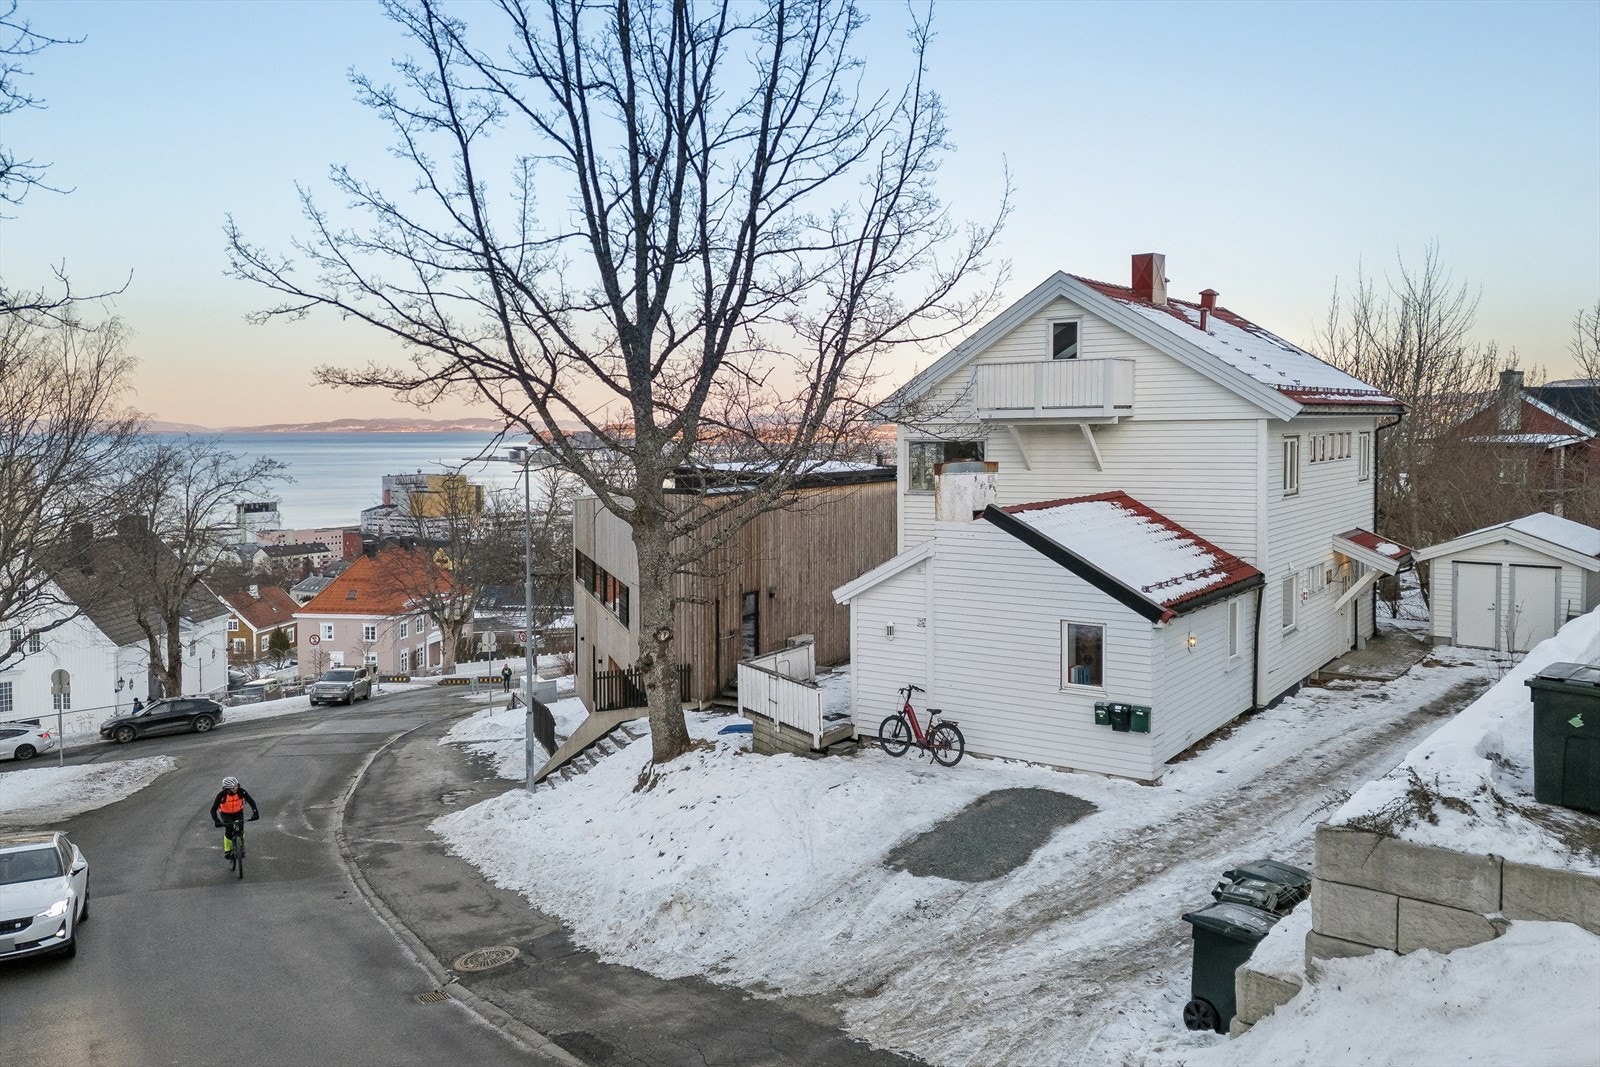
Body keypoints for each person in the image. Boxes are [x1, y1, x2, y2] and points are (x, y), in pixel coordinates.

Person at [209, 776, 260, 868]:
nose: (236, 788)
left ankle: (241, 846)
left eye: (237, 786)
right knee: (228, 830)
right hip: (226, 814)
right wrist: (217, 821)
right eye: (233, 788)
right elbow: (213, 810)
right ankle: (227, 850)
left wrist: (255, 813)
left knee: (241, 829)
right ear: (227, 789)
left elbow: (251, 801)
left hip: (238, 812)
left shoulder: (241, 791)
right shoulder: (221, 795)